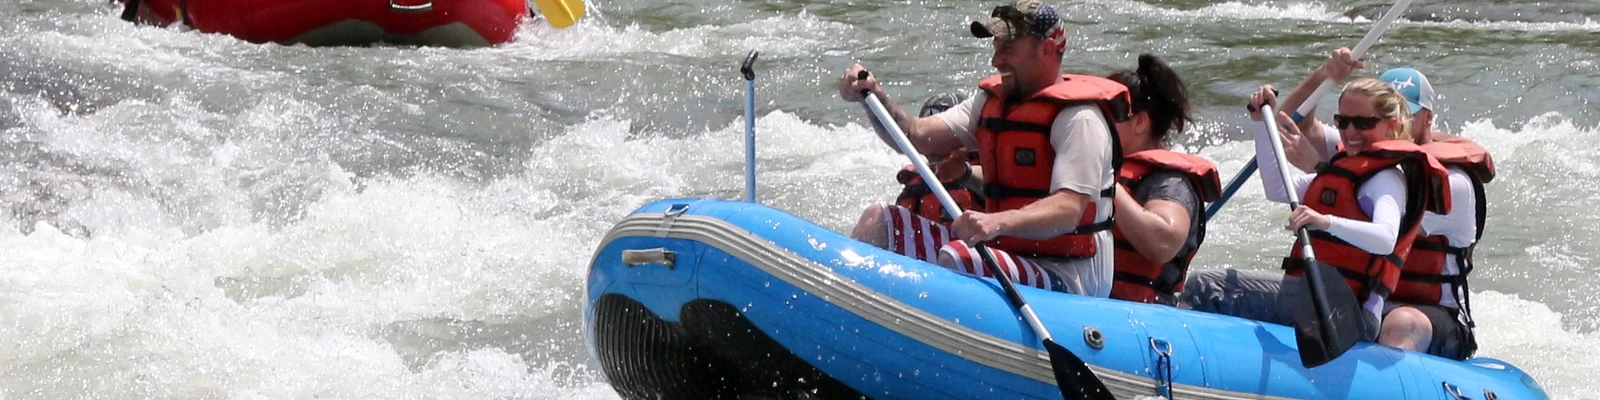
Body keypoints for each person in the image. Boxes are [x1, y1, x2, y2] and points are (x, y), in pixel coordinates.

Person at [838, 0, 1130, 297]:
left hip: (1068, 276)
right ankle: (843, 310)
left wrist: (996, 222)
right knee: (880, 221)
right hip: (1006, 255)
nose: (996, 60)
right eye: (996, 47)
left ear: (1047, 48)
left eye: (1009, 49)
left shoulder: (1079, 119)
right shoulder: (990, 102)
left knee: (958, 257)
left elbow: (1068, 210)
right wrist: (872, 97)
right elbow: (917, 136)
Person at [1182, 78, 1450, 344]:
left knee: (1206, 286)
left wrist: (1325, 221)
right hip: (1320, 299)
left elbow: (1385, 237)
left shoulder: (1386, 179)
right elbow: (1277, 189)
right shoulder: (1349, 171)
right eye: (1342, 122)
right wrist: (1260, 124)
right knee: (1212, 284)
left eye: (1363, 123)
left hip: (1348, 312)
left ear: (1391, 125)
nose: (1351, 132)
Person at [1269, 53, 1493, 360]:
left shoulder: (1451, 182)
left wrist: (1319, 167)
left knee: (1401, 323)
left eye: (1407, 114)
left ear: (1427, 118)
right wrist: (1324, 77)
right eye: (1352, 121)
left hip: (1432, 313)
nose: (1399, 124)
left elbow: (1373, 213)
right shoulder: (1359, 145)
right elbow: (1292, 124)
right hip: (1364, 297)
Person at [1103, 54, 1221, 305]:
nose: (1097, 123)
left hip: (1145, 311)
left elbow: (1163, 242)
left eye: (1107, 114)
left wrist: (1105, 179)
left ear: (1140, 122)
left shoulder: (1170, 182)